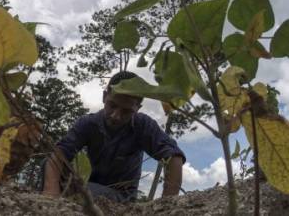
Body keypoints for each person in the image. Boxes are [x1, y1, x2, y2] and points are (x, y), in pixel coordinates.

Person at [42, 71, 185, 202]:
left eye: (126, 111)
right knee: (49, 167)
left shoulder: (143, 125)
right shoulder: (88, 123)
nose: (116, 116)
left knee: (83, 190)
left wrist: (167, 203)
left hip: (121, 196)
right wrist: (50, 193)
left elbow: (174, 157)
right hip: (86, 184)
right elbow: (59, 154)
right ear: (105, 97)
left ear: (137, 108)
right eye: (112, 105)